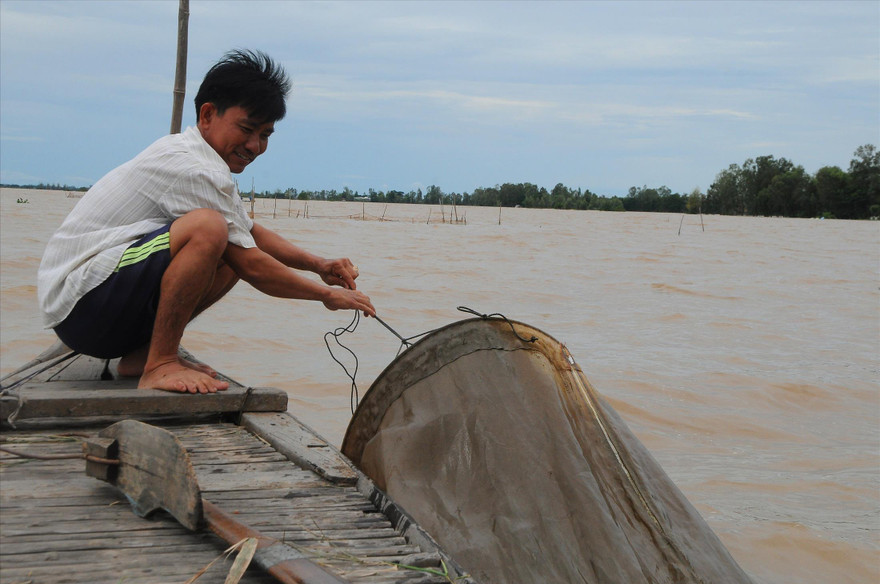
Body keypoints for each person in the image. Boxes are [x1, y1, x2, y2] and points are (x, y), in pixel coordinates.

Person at [37, 49, 375, 395]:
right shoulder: (191, 165)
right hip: (80, 307)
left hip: (99, 309)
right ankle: (160, 363)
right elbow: (255, 268)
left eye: (266, 135)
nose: (255, 145)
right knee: (211, 231)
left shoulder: (205, 163)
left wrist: (319, 265)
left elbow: (251, 234)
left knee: (233, 242)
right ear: (208, 115)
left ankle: (143, 355)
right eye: (246, 129)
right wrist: (325, 296)